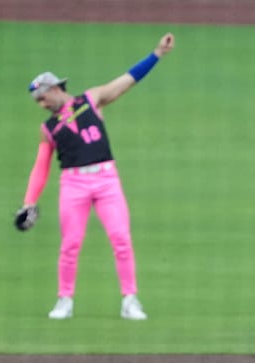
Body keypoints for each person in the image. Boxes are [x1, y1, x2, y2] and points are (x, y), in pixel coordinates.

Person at [15, 33, 176, 321]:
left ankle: (130, 300)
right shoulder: (47, 128)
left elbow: (127, 81)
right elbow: (41, 167)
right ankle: (64, 300)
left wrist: (157, 54)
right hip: (73, 183)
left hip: (106, 180)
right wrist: (29, 202)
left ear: (54, 88)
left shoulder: (91, 100)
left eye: (42, 97)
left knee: (121, 238)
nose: (41, 104)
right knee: (70, 244)